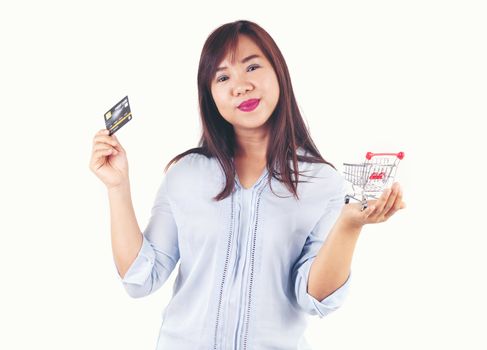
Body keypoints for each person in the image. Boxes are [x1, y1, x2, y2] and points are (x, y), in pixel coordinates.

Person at [89, 20, 405, 350]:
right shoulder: (185, 175)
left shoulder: (322, 183)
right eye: (223, 77)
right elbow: (141, 278)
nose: (240, 86)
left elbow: (313, 297)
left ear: (279, 72)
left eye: (252, 67)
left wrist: (350, 225)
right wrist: (117, 187)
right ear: (209, 95)